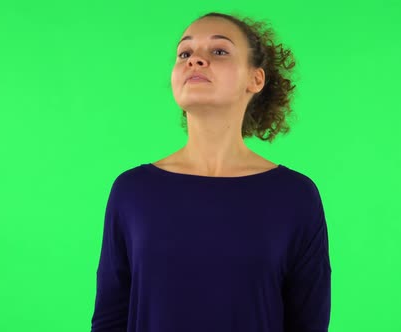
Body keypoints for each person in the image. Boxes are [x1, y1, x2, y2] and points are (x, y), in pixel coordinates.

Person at [91, 12, 331, 332]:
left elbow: (308, 323)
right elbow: (110, 318)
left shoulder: (296, 196)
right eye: (184, 53)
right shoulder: (132, 191)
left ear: (255, 79)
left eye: (219, 51)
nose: (195, 60)